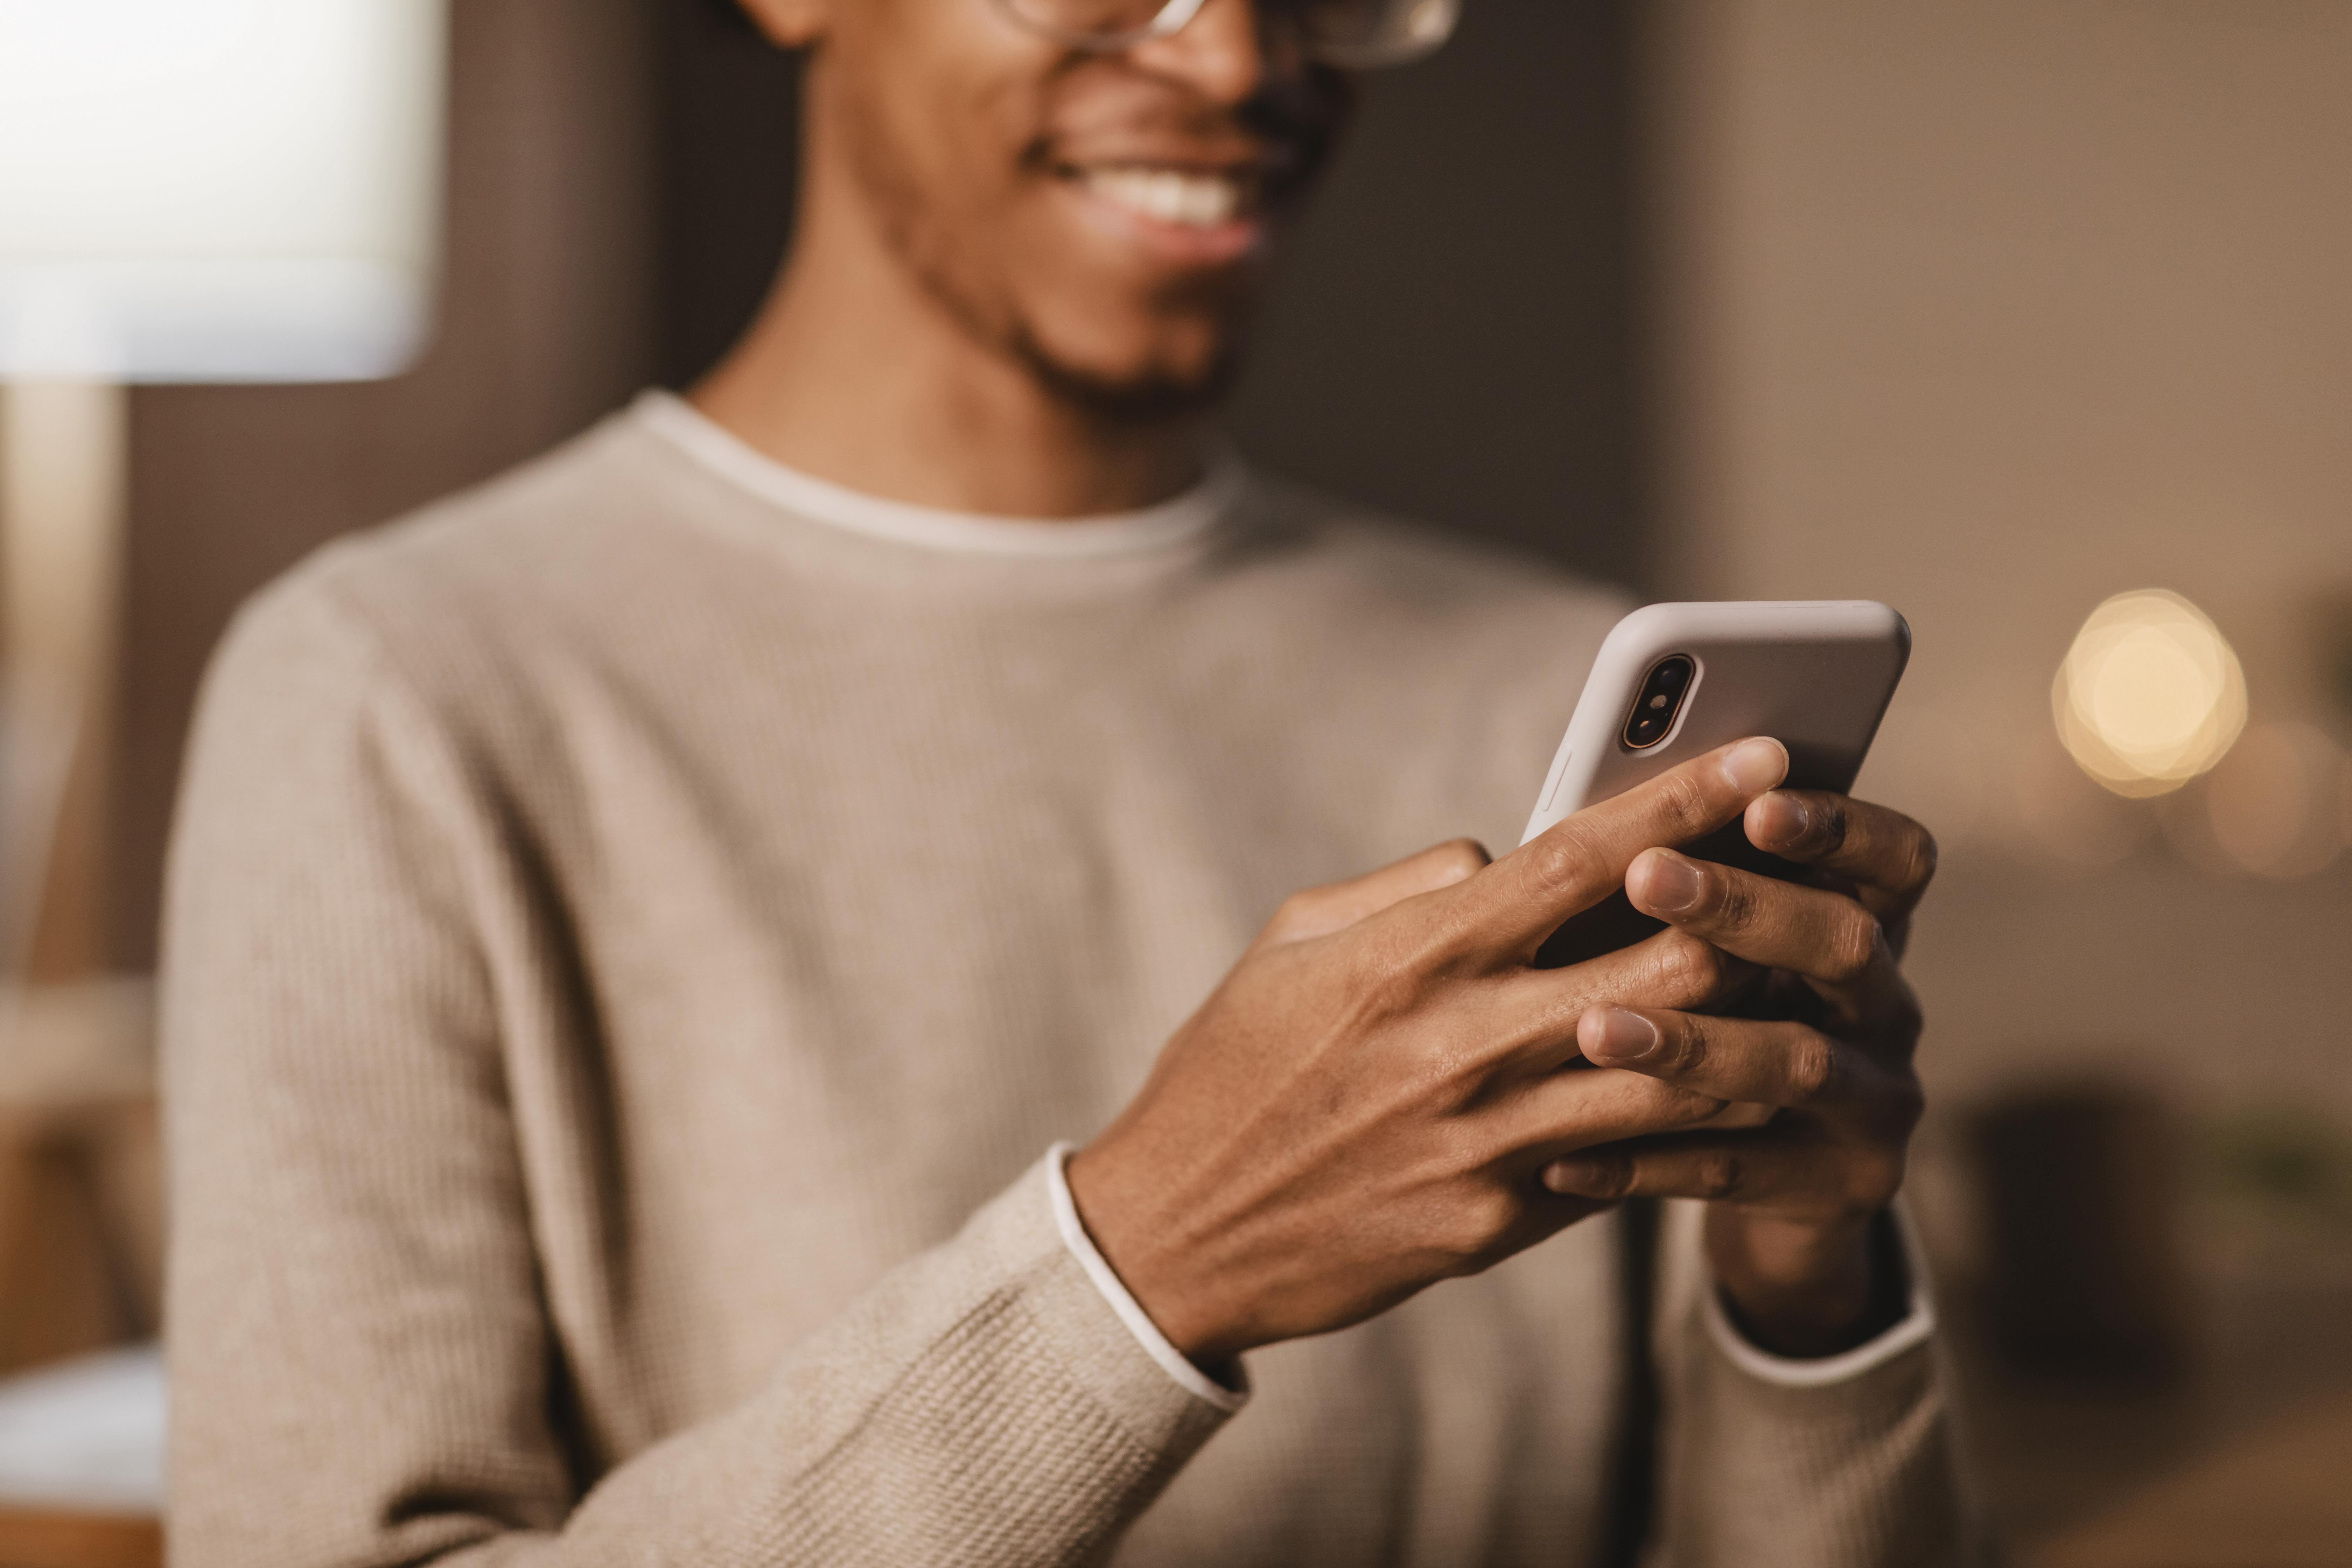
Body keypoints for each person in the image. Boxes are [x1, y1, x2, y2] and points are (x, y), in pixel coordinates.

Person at [163, 0, 1973, 1562]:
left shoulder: (1551, 693)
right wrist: (1142, 1269)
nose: (1241, 57)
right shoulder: (395, 697)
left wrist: (1806, 1302)